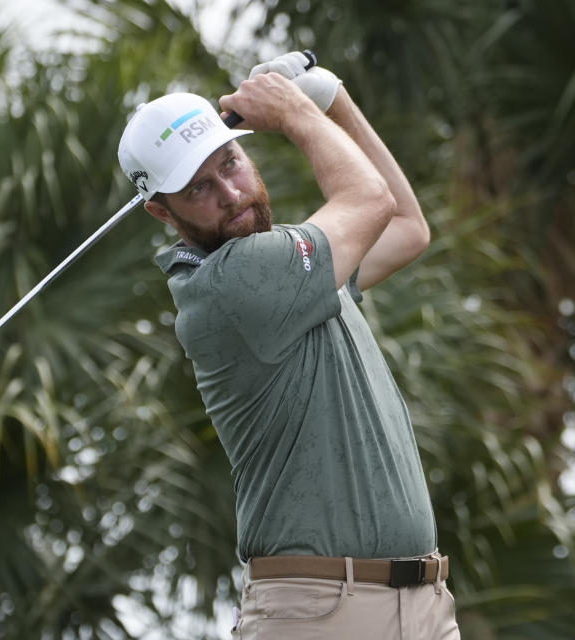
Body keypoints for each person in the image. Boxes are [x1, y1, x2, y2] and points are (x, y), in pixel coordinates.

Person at [118, 52, 460, 639]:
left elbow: (405, 227)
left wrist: (332, 98)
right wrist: (298, 111)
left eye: (231, 162)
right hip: (323, 613)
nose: (230, 192)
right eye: (199, 187)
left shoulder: (295, 270)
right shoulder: (234, 281)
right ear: (161, 211)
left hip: (421, 605)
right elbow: (371, 202)